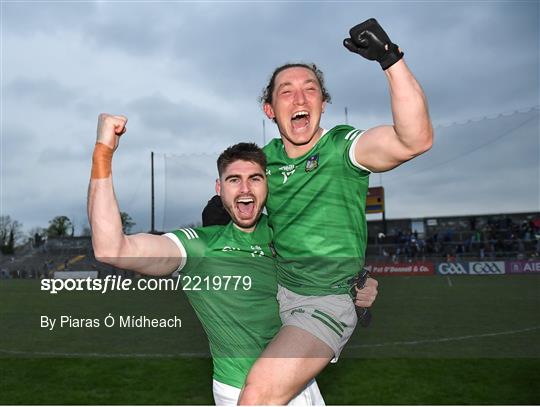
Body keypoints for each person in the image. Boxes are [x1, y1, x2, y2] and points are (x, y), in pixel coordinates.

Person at [87, 117, 377, 405]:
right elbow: (112, 248)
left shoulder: (286, 234)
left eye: (255, 178)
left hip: (298, 383)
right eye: (234, 180)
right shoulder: (200, 246)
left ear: (268, 184)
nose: (245, 189)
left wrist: (358, 285)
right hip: (237, 391)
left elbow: (331, 277)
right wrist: (103, 152)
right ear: (219, 187)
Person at [238, 18, 433, 404]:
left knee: (258, 394)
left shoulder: (343, 148)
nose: (299, 99)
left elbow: (416, 139)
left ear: (323, 104)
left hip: (322, 302)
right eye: (286, 92)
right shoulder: (261, 163)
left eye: (310, 90)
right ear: (269, 109)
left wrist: (390, 60)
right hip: (270, 292)